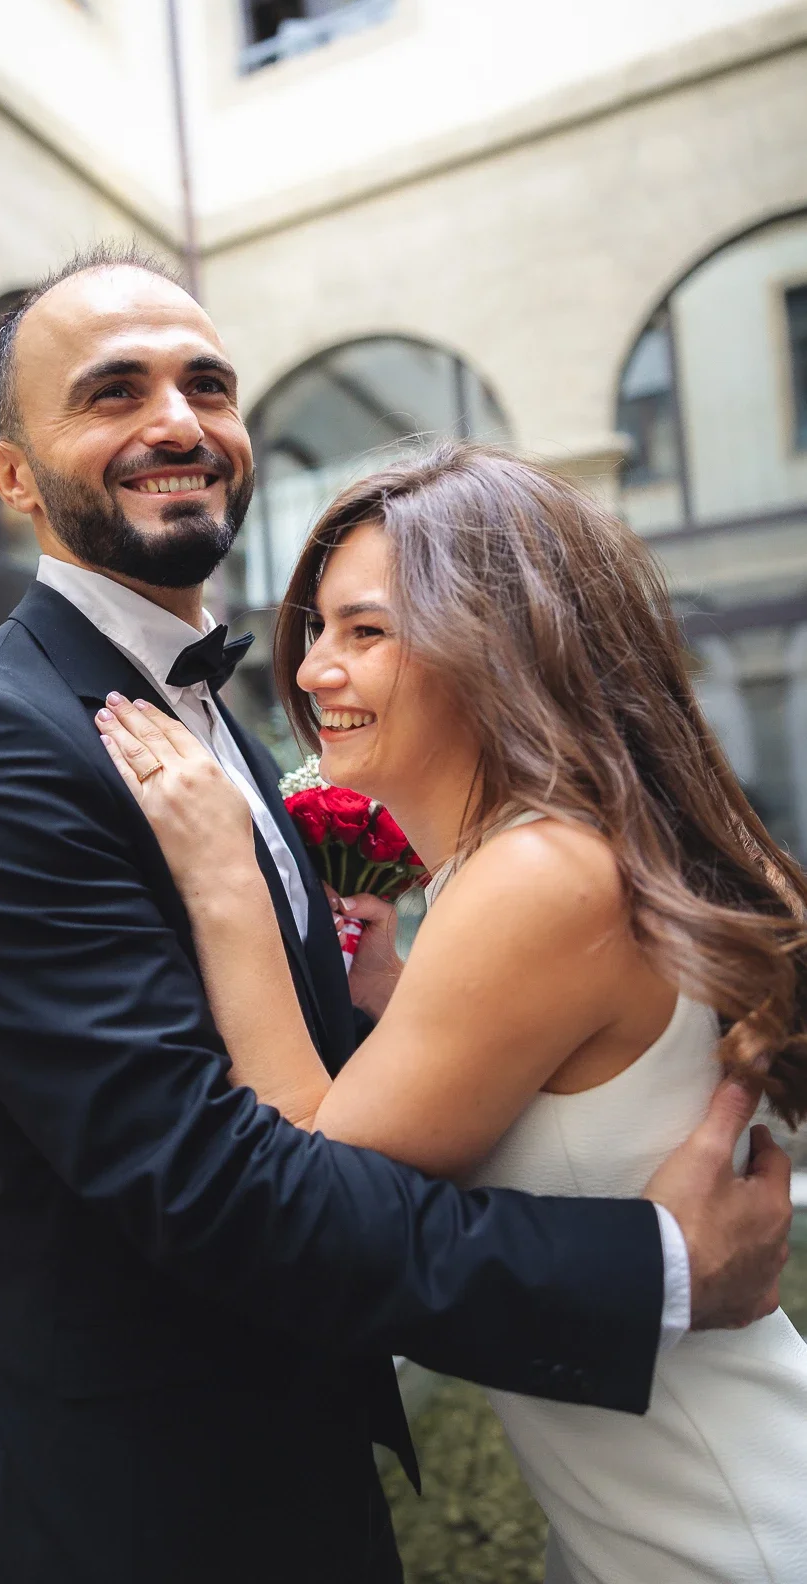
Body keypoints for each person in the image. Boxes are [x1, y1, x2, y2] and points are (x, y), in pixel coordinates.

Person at [0, 247, 790, 1584]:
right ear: (13, 476)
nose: (177, 422)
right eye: (114, 390)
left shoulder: (233, 735)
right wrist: (649, 1265)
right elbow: (212, 1183)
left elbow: (356, 1099)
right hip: (144, 1505)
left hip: (303, 1454)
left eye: (207, 385)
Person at [98, 439, 807, 1583]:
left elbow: (313, 1191)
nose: (312, 670)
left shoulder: (538, 873)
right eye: (317, 628)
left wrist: (225, 882)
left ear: (500, 640)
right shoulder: (553, 852)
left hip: (721, 1529)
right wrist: (393, 995)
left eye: (365, 631)